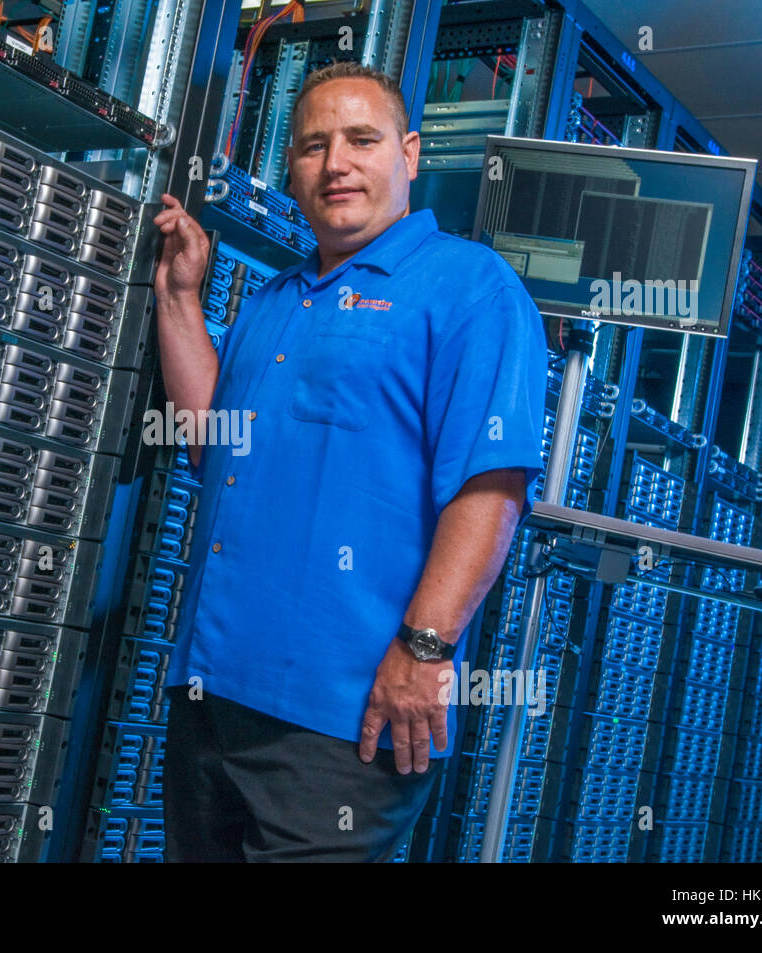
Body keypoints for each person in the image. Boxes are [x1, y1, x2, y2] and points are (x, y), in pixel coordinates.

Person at [151, 61, 548, 862]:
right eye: (313, 146)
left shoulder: (471, 288)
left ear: (408, 152)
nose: (336, 163)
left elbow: (492, 484)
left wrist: (425, 650)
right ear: (291, 169)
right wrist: (179, 297)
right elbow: (208, 438)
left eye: (361, 140)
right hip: (211, 689)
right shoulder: (275, 299)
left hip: (346, 717)